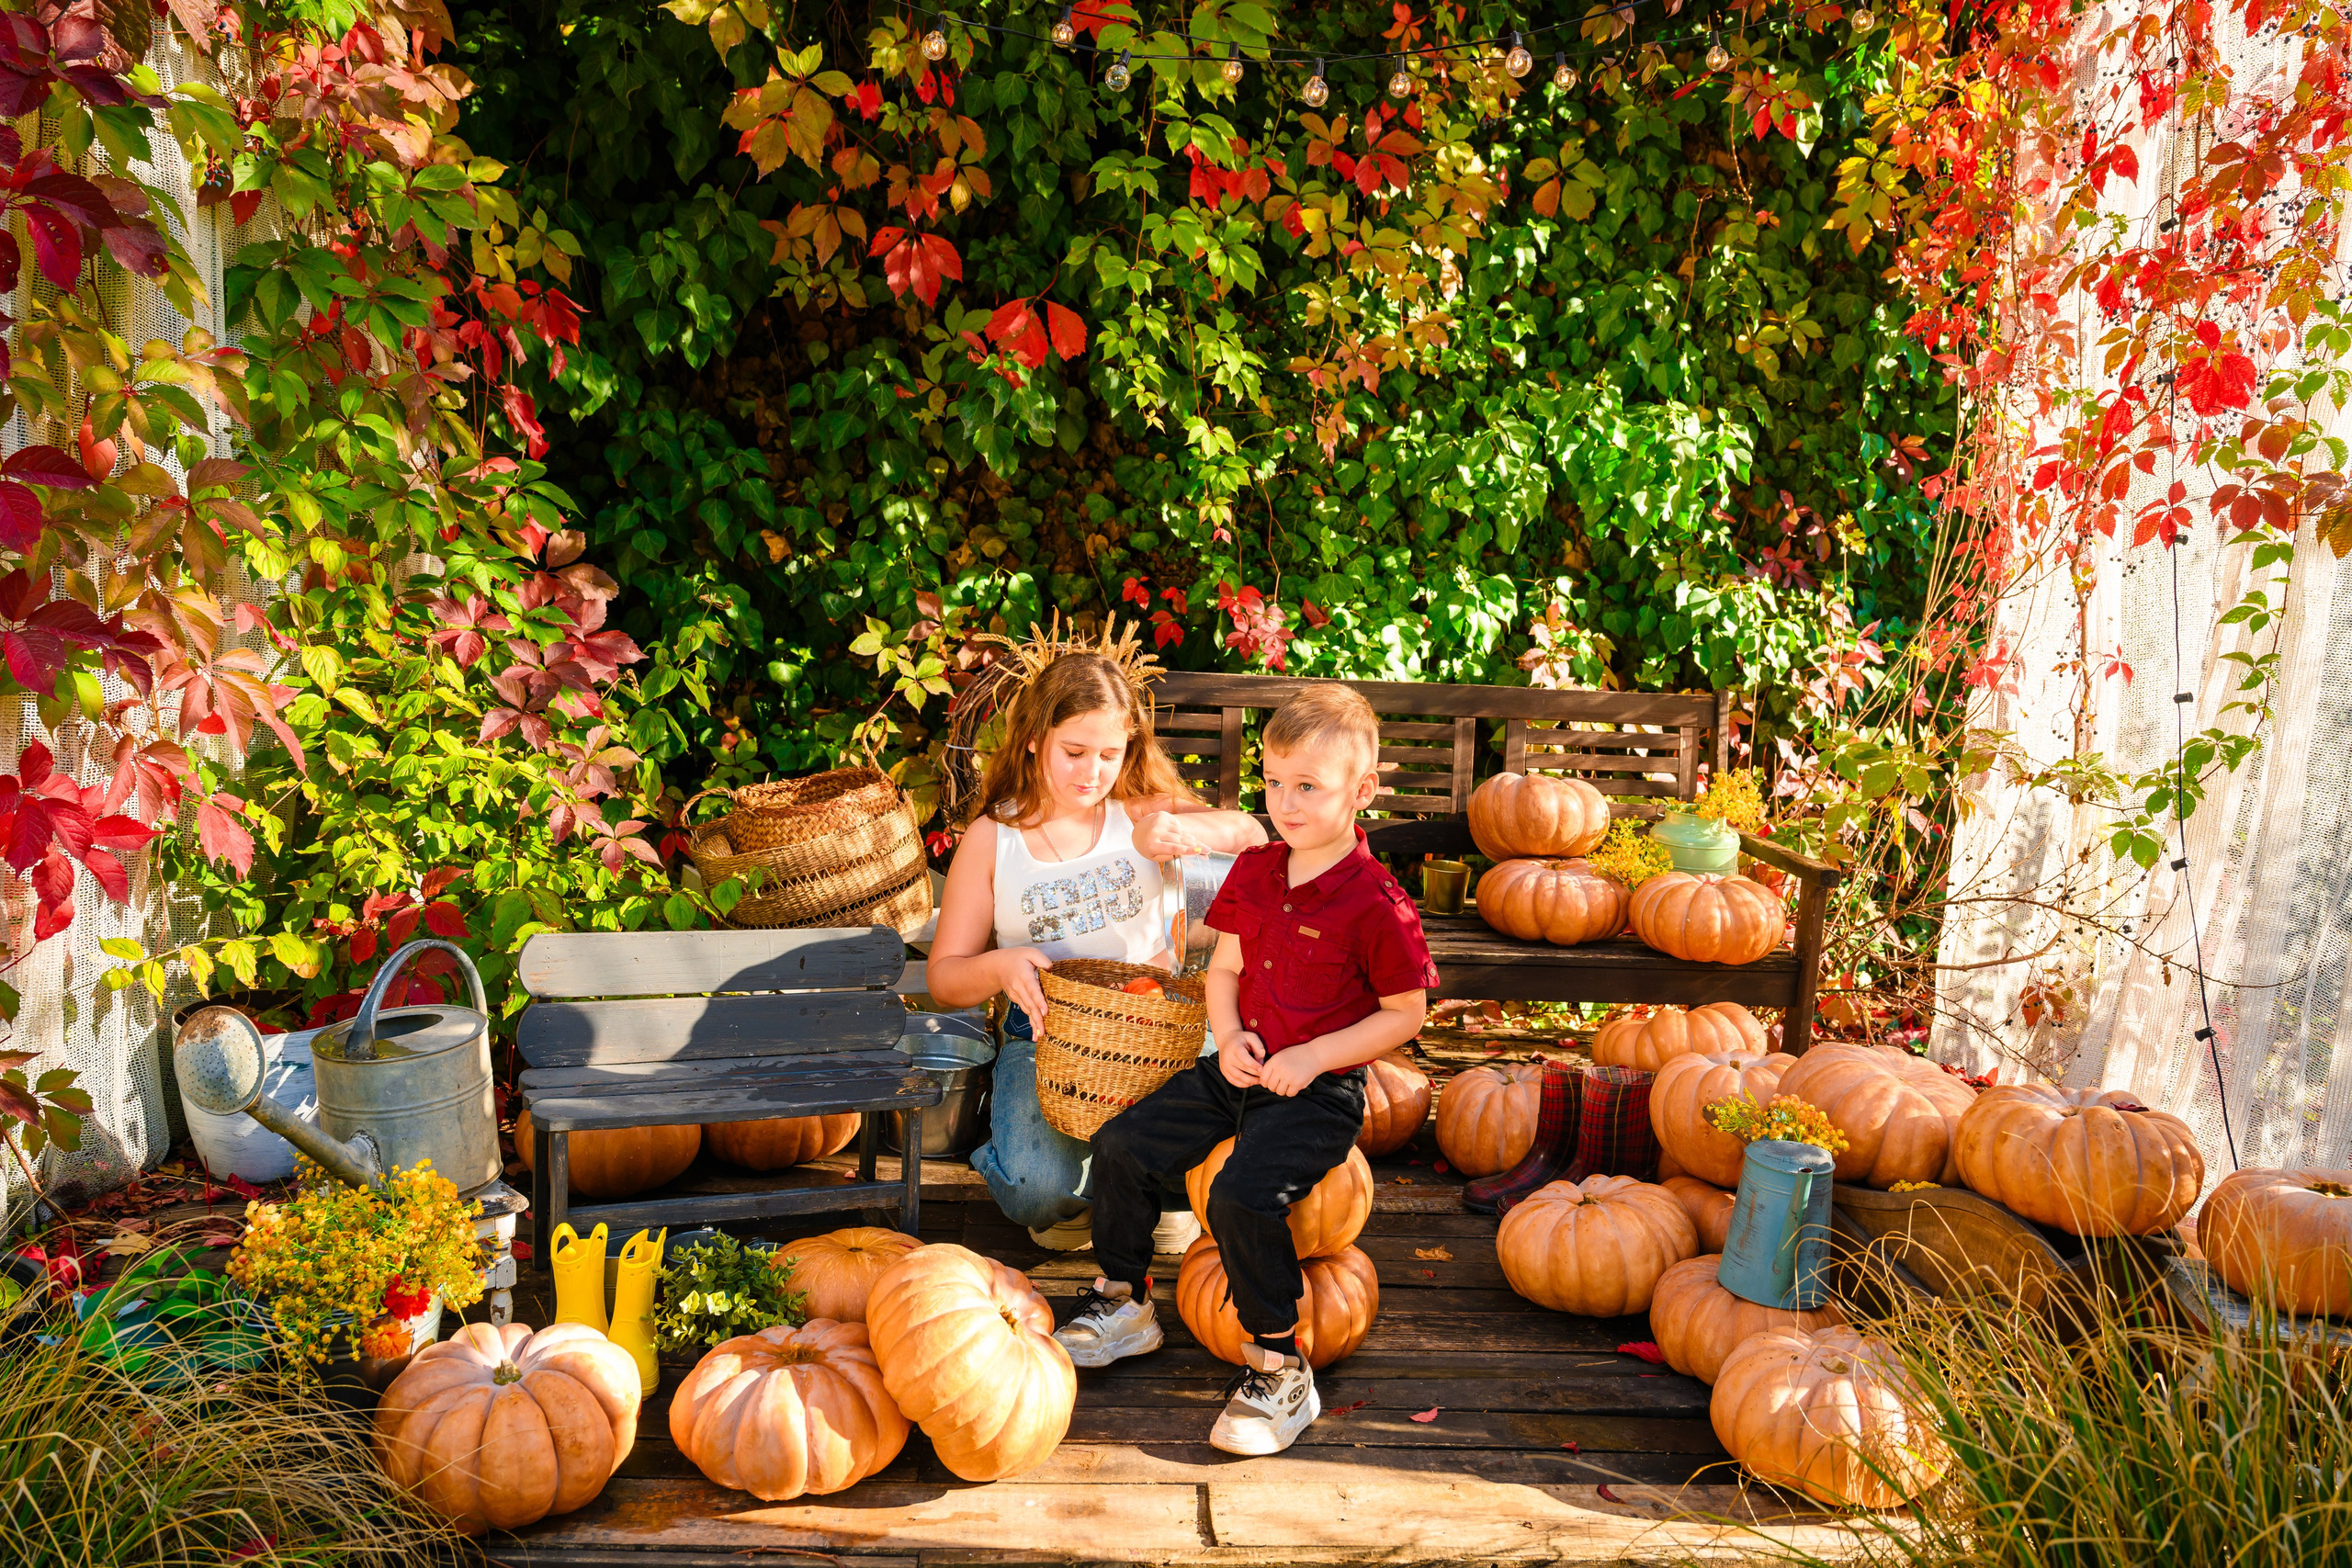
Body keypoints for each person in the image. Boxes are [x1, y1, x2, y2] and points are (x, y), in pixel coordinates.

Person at [1053, 683, 1436, 1457]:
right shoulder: (1259, 869)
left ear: (1362, 791)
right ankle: (1124, 1299)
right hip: (1242, 1065)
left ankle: (1278, 1363)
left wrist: (1316, 1057)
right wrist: (1226, 1037)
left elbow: (1407, 1013)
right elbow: (1222, 970)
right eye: (1274, 782)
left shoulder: (1379, 902)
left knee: (1239, 1196)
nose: (1285, 802)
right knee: (1125, 1144)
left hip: (1318, 1089)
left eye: (1308, 786)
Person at [925, 626, 1266, 1252]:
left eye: (1109, 754)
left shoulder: (1137, 808)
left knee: (1239, 1115)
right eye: (1075, 751)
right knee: (1037, 1185)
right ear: (1034, 741)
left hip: (1157, 1026)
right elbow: (944, 977)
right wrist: (1001, 965)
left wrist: (1178, 828)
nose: (1093, 772)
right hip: (1049, 1034)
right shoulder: (993, 839)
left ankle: (1148, 1191)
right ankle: (1074, 1186)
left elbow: (1250, 833)